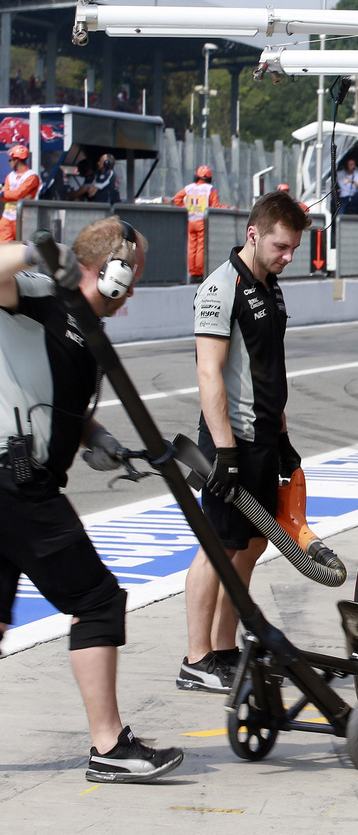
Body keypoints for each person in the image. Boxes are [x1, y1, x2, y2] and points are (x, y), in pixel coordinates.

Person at [0, 217, 184, 782]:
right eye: (131, 277)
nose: (132, 292)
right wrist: (35, 253)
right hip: (18, 483)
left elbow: (57, 393)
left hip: (18, 482)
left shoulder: (85, 327)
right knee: (98, 601)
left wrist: (92, 436)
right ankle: (108, 748)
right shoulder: (41, 295)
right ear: (112, 271)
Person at [178, 191, 311, 694]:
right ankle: (196, 657)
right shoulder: (221, 287)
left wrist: (282, 435)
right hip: (227, 442)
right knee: (217, 547)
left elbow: (269, 368)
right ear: (253, 234)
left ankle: (223, 648)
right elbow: (209, 373)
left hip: (262, 437)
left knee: (251, 546)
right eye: (281, 246)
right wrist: (225, 451)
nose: (288, 256)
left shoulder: (272, 287)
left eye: (294, 247)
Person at [172, 165, 224, 284]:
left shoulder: (189, 188)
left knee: (192, 247)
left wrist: (186, 209)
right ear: (209, 177)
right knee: (201, 247)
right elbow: (215, 206)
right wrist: (228, 208)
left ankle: (193, 273)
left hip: (191, 220)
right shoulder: (210, 189)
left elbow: (176, 199)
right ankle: (200, 273)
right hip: (202, 221)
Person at [1, 144, 38, 242]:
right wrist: (6, 195)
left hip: (23, 219)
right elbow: (6, 195)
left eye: (10, 160)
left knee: (22, 250)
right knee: (2, 249)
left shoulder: (31, 176)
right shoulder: (10, 176)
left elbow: (19, 194)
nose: (9, 162)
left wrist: (4, 194)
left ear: (16, 160)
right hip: (7, 218)